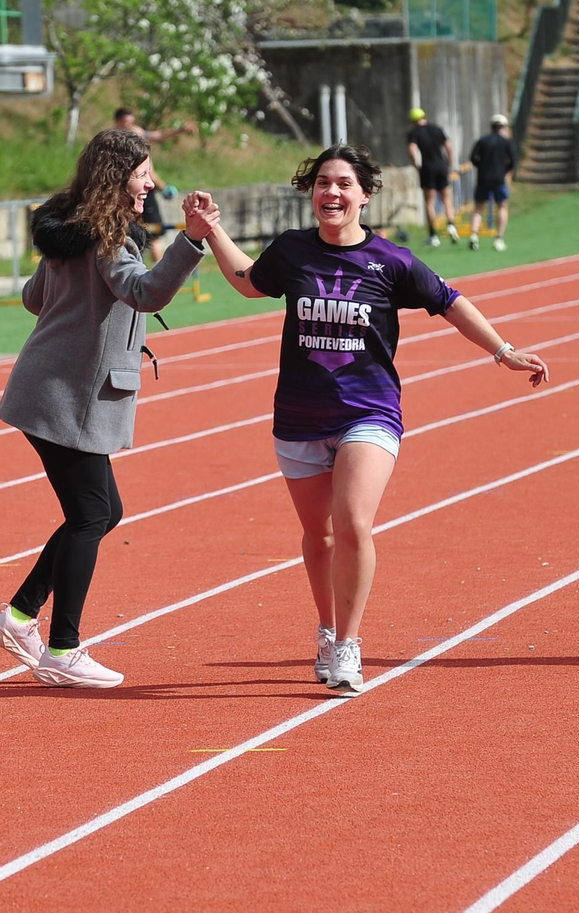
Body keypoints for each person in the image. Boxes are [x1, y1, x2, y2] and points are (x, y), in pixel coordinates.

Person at [200, 143, 551, 695]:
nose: (331, 192)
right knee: (318, 535)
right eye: (323, 182)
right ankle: (326, 630)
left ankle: (348, 644)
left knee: (351, 523)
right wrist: (210, 229)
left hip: (369, 411)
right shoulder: (292, 250)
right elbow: (247, 280)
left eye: (344, 184)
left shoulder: (392, 261)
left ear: (365, 195)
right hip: (299, 414)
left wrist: (503, 351)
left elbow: (450, 300)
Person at [0, 129, 216, 689]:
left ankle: (18, 616)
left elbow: (33, 299)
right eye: (143, 174)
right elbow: (145, 294)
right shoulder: (109, 240)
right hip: (68, 396)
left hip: (48, 388)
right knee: (91, 514)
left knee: (103, 512)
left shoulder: (69, 232)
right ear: (118, 177)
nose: (150, 184)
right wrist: (190, 240)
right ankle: (62, 648)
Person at [113, 107, 191, 263]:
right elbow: (148, 172)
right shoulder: (115, 141)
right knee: (131, 233)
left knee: (153, 234)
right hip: (125, 191)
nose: (129, 125)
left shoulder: (137, 133)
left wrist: (180, 130)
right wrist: (163, 187)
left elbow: (159, 135)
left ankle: (155, 272)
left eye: (131, 122)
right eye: (126, 122)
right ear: (118, 122)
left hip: (140, 192)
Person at [464, 113, 517, 252]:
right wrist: (505, 170)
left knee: (478, 207)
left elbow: (473, 158)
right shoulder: (506, 142)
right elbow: (513, 161)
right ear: (503, 127)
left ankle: (474, 236)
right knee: (502, 206)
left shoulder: (482, 141)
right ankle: (499, 238)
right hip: (499, 179)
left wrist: (481, 166)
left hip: (483, 178)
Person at [406, 108, 457, 247]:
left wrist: (417, 165)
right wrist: (449, 165)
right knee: (447, 199)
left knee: (430, 202)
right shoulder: (437, 129)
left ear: (413, 120)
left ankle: (433, 235)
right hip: (442, 166)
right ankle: (451, 225)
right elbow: (449, 147)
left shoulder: (414, 132)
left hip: (428, 168)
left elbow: (412, 149)